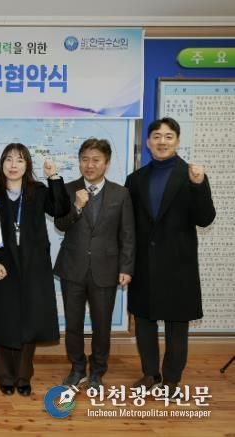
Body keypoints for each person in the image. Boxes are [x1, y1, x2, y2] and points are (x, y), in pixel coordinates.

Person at [126, 117, 215, 395]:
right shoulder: (135, 179)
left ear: (177, 141)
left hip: (178, 264)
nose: (162, 142)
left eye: (168, 136)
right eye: (156, 136)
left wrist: (199, 185)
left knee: (177, 325)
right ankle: (150, 374)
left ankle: (172, 380)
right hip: (144, 264)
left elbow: (205, 218)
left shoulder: (191, 175)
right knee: (144, 322)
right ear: (148, 142)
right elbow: (129, 225)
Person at [0, 143, 69, 396]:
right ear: (1, 164)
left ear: (27, 166)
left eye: (19, 160)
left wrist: (54, 177)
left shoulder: (38, 190)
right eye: (8, 159)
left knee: (29, 320)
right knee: (3, 319)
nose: (13, 165)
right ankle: (4, 375)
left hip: (34, 265)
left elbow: (60, 209)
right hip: (2, 264)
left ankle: (23, 376)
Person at [53, 138, 135, 390]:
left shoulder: (120, 193)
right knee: (73, 324)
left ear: (106, 163)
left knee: (102, 325)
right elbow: (60, 224)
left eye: (96, 160)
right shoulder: (67, 190)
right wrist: (77, 207)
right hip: (72, 267)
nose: (89, 165)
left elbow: (127, 234)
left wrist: (126, 267)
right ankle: (77, 367)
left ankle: (98, 370)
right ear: (79, 161)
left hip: (106, 269)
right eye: (85, 159)